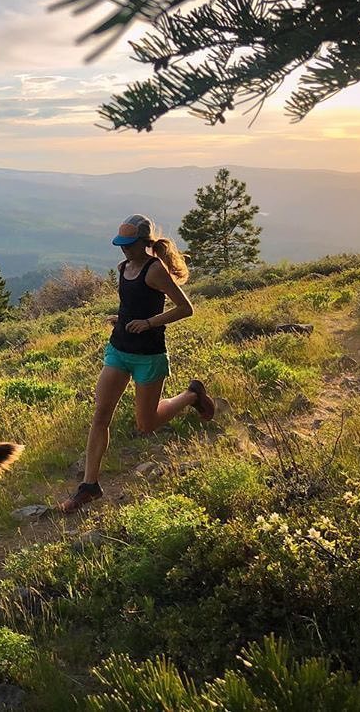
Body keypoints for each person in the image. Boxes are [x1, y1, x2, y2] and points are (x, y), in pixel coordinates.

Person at [59, 214, 214, 513]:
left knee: (147, 423)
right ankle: (89, 486)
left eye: (129, 245)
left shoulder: (155, 270)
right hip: (118, 348)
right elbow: (132, 303)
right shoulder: (124, 268)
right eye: (121, 245)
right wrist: (124, 319)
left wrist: (149, 323)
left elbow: (186, 308)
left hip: (149, 355)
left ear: (144, 243)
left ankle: (192, 395)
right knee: (100, 415)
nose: (124, 250)